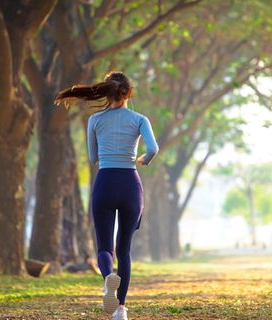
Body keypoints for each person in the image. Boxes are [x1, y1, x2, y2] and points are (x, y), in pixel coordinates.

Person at [54, 71, 159, 320]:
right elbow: (153, 148)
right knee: (124, 250)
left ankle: (107, 277)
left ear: (107, 91)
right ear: (128, 93)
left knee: (104, 247)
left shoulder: (95, 120)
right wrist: (143, 158)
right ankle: (120, 309)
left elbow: (92, 158)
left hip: (105, 182)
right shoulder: (139, 119)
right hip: (130, 185)